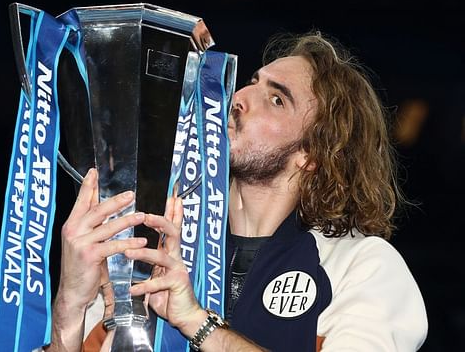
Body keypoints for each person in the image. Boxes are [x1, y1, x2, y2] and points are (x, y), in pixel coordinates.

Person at [46, 32, 428, 351]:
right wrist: (70, 305)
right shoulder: (153, 244)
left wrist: (199, 324)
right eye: (252, 81)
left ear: (311, 154)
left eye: (277, 99)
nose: (239, 98)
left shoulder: (359, 266)